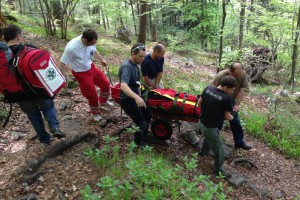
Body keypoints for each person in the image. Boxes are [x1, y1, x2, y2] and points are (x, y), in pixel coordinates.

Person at [3, 24, 65, 145]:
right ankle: (54, 127)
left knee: (33, 116)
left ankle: (45, 140)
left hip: (19, 95)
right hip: (38, 90)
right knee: (48, 107)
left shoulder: (3, 57)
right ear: (18, 36)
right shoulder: (28, 48)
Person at [60, 29, 114, 122]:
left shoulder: (91, 41)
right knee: (92, 94)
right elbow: (62, 63)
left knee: (105, 84)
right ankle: (95, 113)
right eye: (91, 43)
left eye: (94, 43)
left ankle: (103, 101)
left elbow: (94, 50)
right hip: (80, 73)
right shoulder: (71, 48)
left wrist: (101, 60)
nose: (93, 45)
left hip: (91, 67)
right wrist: (63, 77)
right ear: (84, 40)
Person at [197, 75, 238, 178]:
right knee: (219, 150)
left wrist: (206, 112)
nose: (232, 92)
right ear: (225, 87)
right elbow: (227, 116)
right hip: (210, 128)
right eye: (232, 90)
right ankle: (218, 170)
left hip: (201, 122)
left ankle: (203, 152)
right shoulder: (226, 98)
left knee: (208, 137)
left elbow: (199, 103)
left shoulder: (208, 88)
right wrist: (233, 117)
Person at [212, 63, 252, 150]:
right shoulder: (220, 76)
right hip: (220, 101)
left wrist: (237, 104)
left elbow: (242, 89)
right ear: (229, 71)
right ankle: (213, 142)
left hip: (231, 101)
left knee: (235, 121)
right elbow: (213, 91)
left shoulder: (242, 74)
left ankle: (239, 142)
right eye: (235, 76)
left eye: (239, 76)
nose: (237, 78)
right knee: (218, 122)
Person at [118, 43, 152, 147]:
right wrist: (136, 97)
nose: (143, 59)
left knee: (148, 115)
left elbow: (136, 83)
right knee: (141, 122)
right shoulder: (127, 67)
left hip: (136, 97)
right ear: (133, 53)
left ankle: (144, 135)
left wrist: (140, 95)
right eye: (140, 56)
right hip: (127, 100)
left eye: (144, 56)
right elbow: (123, 85)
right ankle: (138, 143)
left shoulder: (135, 66)